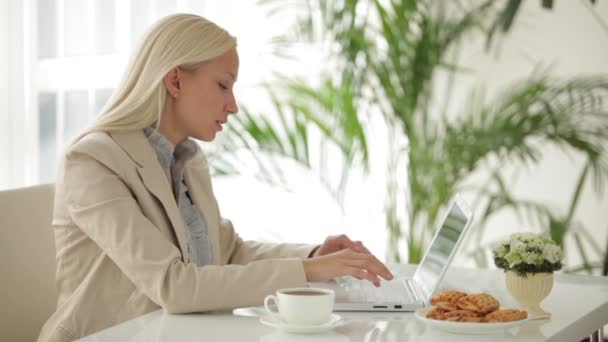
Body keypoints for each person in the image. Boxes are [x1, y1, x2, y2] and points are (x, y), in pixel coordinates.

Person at [38, 13, 393, 342]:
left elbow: (228, 251)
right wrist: (308, 271)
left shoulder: (188, 160)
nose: (233, 105)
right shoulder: (93, 160)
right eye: (223, 85)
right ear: (175, 80)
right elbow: (173, 286)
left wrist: (316, 254)